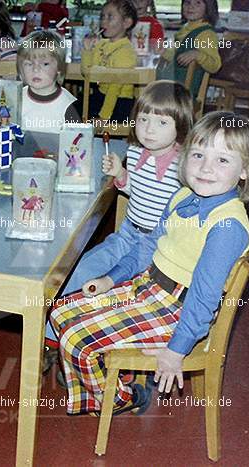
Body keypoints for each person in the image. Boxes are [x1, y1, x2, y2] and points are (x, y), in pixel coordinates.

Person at [49, 111, 249, 415]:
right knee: (60, 311)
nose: (205, 168)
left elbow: (204, 298)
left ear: (245, 171)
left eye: (223, 160)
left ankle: (120, 398)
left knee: (76, 339)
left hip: (178, 312)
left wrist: (177, 349)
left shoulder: (226, 226)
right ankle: (115, 375)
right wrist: (112, 278)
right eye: (199, 154)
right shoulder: (182, 197)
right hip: (148, 288)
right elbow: (147, 247)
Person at [43, 80, 193, 368]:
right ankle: (53, 339)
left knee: (118, 286)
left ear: (181, 126)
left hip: (160, 249)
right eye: (143, 119)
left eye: (161, 122)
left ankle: (95, 349)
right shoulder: (135, 152)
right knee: (80, 268)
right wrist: (121, 175)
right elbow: (133, 190)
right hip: (127, 234)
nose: (149, 129)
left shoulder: (184, 167)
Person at [80, 0, 138, 123]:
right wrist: (87, 50)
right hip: (101, 95)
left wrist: (104, 116)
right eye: (102, 17)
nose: (103, 21)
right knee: (72, 108)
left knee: (80, 112)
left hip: (119, 102)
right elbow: (88, 74)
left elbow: (115, 88)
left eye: (110, 17)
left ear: (126, 23)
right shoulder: (102, 44)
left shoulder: (126, 51)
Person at [17, 29, 80, 132]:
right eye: (29, 64)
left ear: (59, 68)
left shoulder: (68, 105)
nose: (36, 69)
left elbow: (75, 143)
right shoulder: (16, 99)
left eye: (45, 64)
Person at [157, 0, 221, 97]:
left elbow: (215, 65)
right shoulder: (186, 28)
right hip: (172, 86)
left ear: (209, 7)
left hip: (184, 94)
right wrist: (164, 51)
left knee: (146, 92)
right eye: (187, 2)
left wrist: (197, 55)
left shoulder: (206, 34)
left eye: (198, 3)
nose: (191, 7)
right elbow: (178, 57)